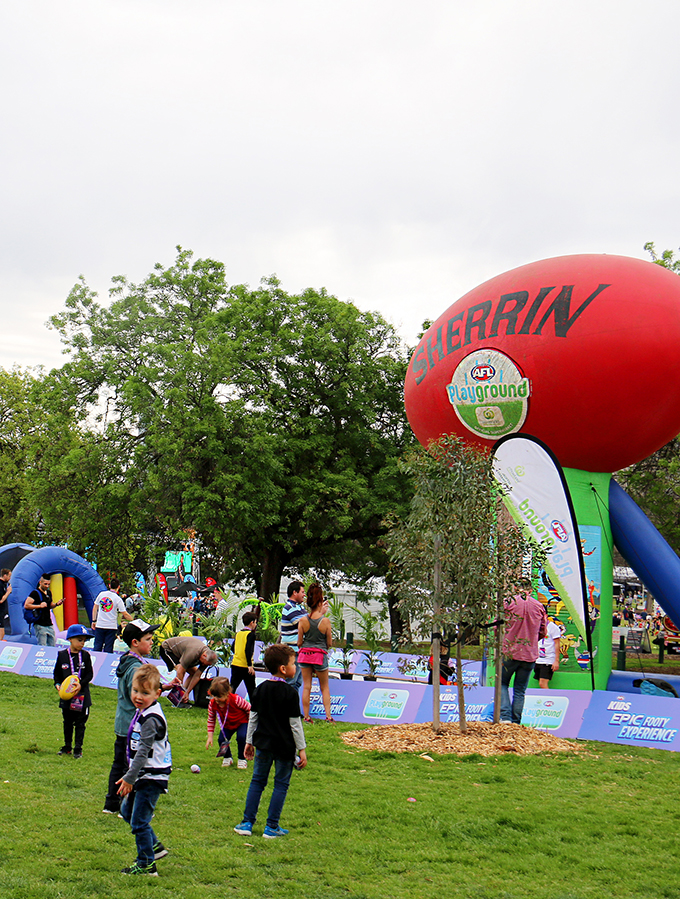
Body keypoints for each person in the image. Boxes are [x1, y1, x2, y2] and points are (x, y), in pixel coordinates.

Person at [233, 643, 307, 839]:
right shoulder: (291, 694)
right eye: (294, 663)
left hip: (263, 745)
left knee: (257, 781)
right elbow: (295, 725)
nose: (296, 667)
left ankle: (246, 823)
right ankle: (271, 826)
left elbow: (253, 718)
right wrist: (302, 750)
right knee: (280, 785)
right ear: (283, 669)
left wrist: (249, 742)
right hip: (284, 748)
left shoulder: (260, 689)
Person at [116, 664, 171, 876]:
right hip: (141, 774)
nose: (138, 696)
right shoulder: (143, 711)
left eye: (145, 693)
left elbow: (143, 752)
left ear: (157, 693)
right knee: (126, 811)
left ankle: (147, 864)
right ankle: (154, 846)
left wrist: (129, 778)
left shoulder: (151, 719)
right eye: (135, 691)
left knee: (139, 821)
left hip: (151, 777)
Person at [103, 619, 159, 814]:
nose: (152, 642)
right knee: (132, 767)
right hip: (133, 726)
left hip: (123, 723)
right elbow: (136, 698)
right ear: (135, 642)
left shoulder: (127, 659)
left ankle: (111, 804)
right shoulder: (136, 668)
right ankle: (126, 807)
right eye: (148, 639)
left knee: (119, 764)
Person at [501, 579, 548, 724]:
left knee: (502, 683)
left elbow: (498, 626)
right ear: (531, 590)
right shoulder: (539, 606)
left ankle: (505, 717)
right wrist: (532, 640)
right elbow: (543, 630)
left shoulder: (507, 603)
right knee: (520, 690)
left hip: (510, 650)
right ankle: (516, 720)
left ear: (515, 588)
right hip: (529, 654)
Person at [53, 623, 95, 758]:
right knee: (67, 722)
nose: (82, 643)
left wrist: (80, 685)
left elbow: (89, 674)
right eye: (79, 640)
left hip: (82, 696)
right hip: (67, 696)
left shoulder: (86, 656)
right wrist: (58, 684)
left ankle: (78, 748)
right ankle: (67, 746)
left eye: (84, 640)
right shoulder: (62, 655)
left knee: (80, 723)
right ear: (70, 639)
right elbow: (57, 674)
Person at [298, 582, 333, 722]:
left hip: (305, 655)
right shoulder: (325, 621)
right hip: (319, 655)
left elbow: (299, 642)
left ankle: (306, 716)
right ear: (320, 601)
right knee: (324, 687)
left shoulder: (302, 620)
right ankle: (328, 716)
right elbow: (329, 643)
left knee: (307, 686)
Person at [205, 676, 251, 769]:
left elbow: (250, 709)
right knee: (222, 740)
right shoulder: (212, 704)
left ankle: (242, 759)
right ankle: (227, 757)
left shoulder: (236, 700)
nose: (216, 699)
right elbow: (211, 719)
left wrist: (251, 724)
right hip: (227, 725)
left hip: (242, 722)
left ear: (227, 693)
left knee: (242, 737)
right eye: (214, 696)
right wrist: (210, 737)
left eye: (219, 696)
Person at [159, 635, 218, 704]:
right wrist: (181, 692)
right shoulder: (193, 653)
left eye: (206, 665)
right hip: (168, 649)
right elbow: (181, 670)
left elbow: (197, 675)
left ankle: (183, 696)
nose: (203, 665)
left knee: (194, 673)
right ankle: (177, 698)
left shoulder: (207, 659)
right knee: (180, 669)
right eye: (204, 663)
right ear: (204, 656)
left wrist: (187, 692)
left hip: (181, 654)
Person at [92, 578, 133, 653]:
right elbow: (125, 613)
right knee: (108, 647)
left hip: (100, 625)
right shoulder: (118, 599)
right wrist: (133, 620)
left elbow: (95, 608)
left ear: (109, 585)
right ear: (118, 587)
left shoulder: (101, 594)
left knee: (97, 647)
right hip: (111, 626)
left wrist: (94, 620)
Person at [280, 580, 306, 690]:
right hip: (292, 652)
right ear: (295, 592)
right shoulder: (289, 608)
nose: (304, 595)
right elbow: (304, 625)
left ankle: (292, 705)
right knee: (291, 681)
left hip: (299, 651)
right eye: (302, 592)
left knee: (298, 682)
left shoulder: (300, 608)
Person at [24, 573, 65, 646]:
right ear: (40, 583)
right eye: (45, 584)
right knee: (42, 645)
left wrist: (56, 604)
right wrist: (39, 606)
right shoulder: (35, 593)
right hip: (40, 623)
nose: (47, 586)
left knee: (52, 644)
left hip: (49, 623)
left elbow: (50, 605)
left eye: (48, 584)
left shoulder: (49, 592)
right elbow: (26, 605)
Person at [230, 612, 258, 700]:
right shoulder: (251, 634)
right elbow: (248, 650)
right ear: (252, 622)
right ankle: (254, 710)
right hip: (245, 666)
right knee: (252, 689)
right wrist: (250, 665)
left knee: (232, 688)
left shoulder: (238, 633)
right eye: (255, 622)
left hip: (235, 664)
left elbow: (232, 648)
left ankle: (225, 706)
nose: (256, 624)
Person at [533, 618, 562, 689]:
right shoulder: (535, 624)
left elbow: (557, 644)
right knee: (540, 683)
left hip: (548, 660)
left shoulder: (553, 627)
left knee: (542, 683)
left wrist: (556, 661)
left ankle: (550, 699)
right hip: (537, 659)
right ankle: (543, 699)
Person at [0, 568, 11, 640]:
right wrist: (8, 592)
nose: (10, 578)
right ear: (5, 575)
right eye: (9, 576)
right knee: (1, 627)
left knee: (2, 627)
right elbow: (1, 600)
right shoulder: (0, 584)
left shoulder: (4, 584)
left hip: (2, 611)